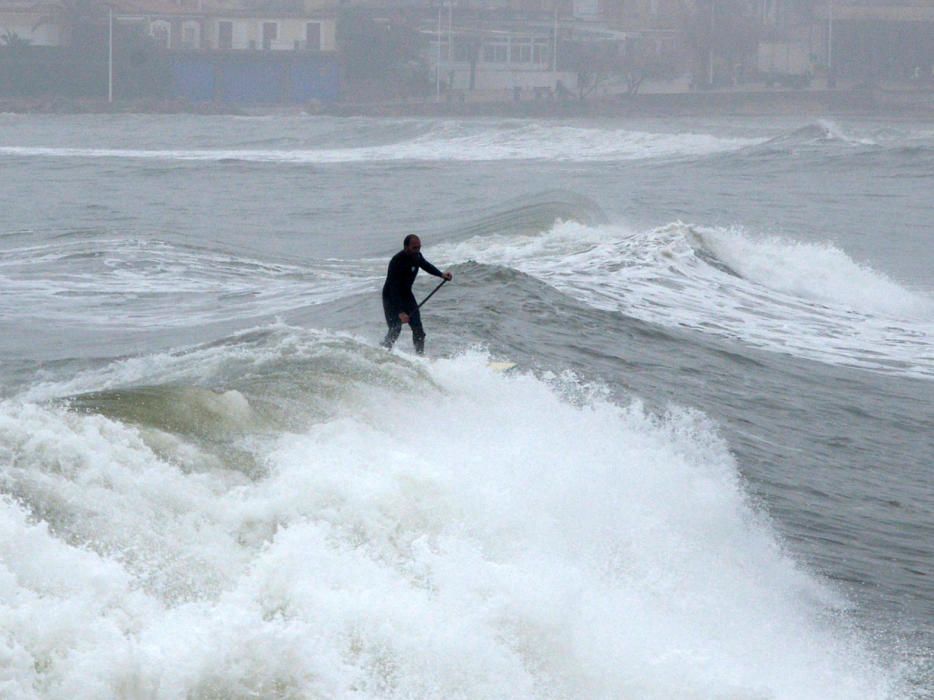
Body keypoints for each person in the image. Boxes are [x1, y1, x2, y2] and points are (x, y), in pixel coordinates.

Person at [381, 234, 452, 354]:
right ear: (406, 247)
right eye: (414, 248)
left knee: (418, 330)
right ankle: (383, 351)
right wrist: (401, 312)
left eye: (419, 247)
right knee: (395, 329)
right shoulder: (396, 261)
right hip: (391, 297)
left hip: (407, 295)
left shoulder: (417, 256)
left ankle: (420, 357)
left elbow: (425, 265)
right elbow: (393, 288)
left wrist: (441, 274)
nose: (417, 250)